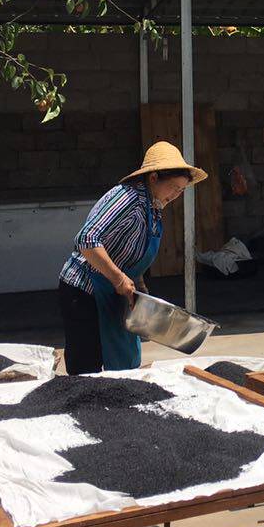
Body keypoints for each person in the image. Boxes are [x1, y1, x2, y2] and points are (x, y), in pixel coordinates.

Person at [57, 141, 207, 374]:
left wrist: (139, 288)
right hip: (83, 291)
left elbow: (130, 254)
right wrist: (119, 279)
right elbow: (87, 240)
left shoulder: (153, 208)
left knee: (122, 363)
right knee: (86, 368)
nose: (175, 195)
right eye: (173, 188)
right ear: (154, 178)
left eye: (181, 191)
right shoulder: (128, 199)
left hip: (113, 292)